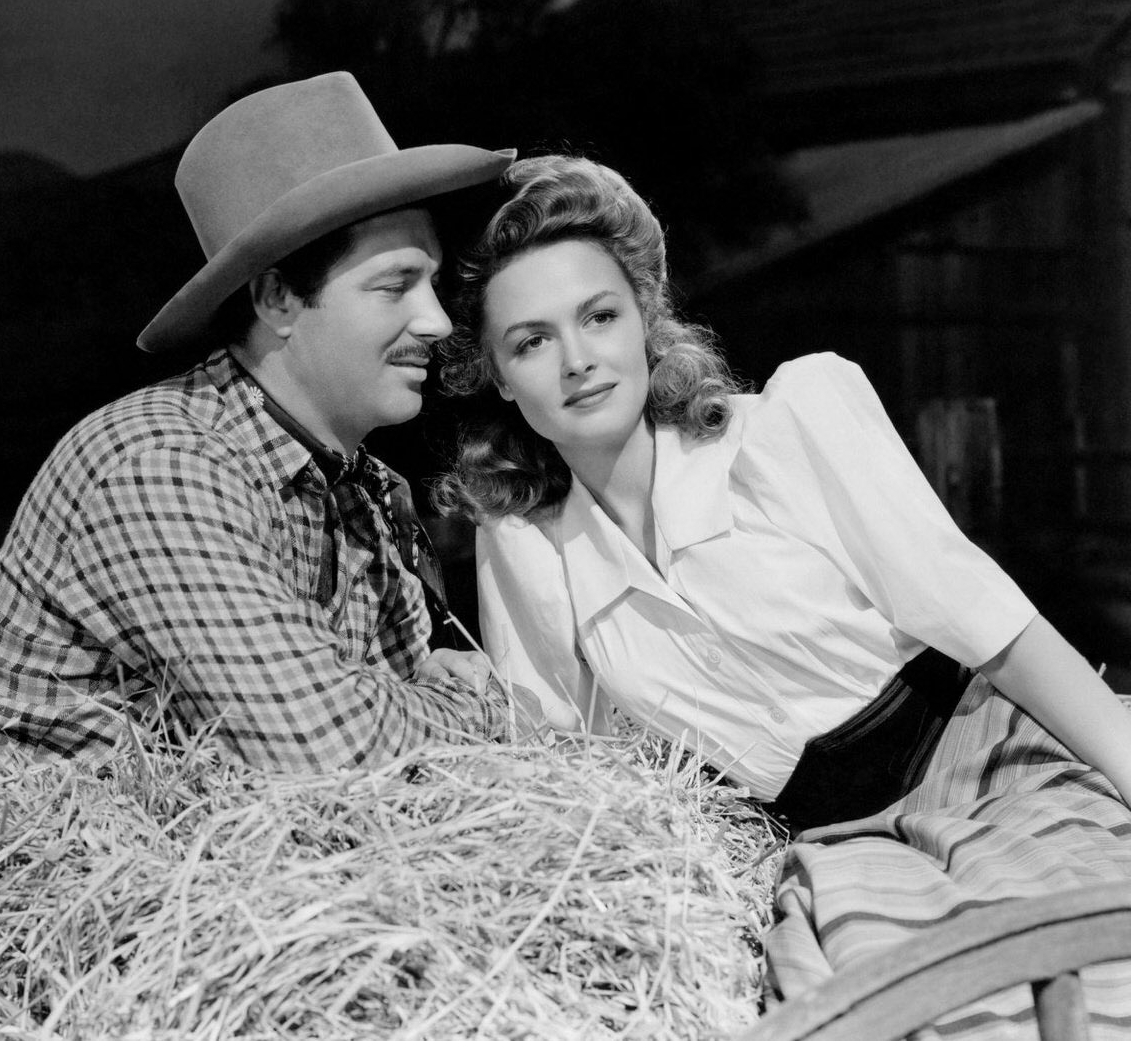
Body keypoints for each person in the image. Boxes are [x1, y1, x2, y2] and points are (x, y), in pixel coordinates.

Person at [0, 72, 521, 1039]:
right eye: (396, 284)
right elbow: (337, 764)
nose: (439, 321)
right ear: (277, 297)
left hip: (45, 960)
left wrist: (415, 716)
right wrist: (464, 697)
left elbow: (422, 800)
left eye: (434, 283)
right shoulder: (159, 463)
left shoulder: (371, 497)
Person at [433, 153, 1131, 1035]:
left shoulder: (786, 430)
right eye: (531, 341)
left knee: (1080, 963)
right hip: (826, 850)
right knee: (884, 1007)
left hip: (984, 766)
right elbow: (570, 775)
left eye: (600, 316)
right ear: (497, 375)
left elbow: (986, 619)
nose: (578, 361)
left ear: (643, 319)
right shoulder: (529, 550)